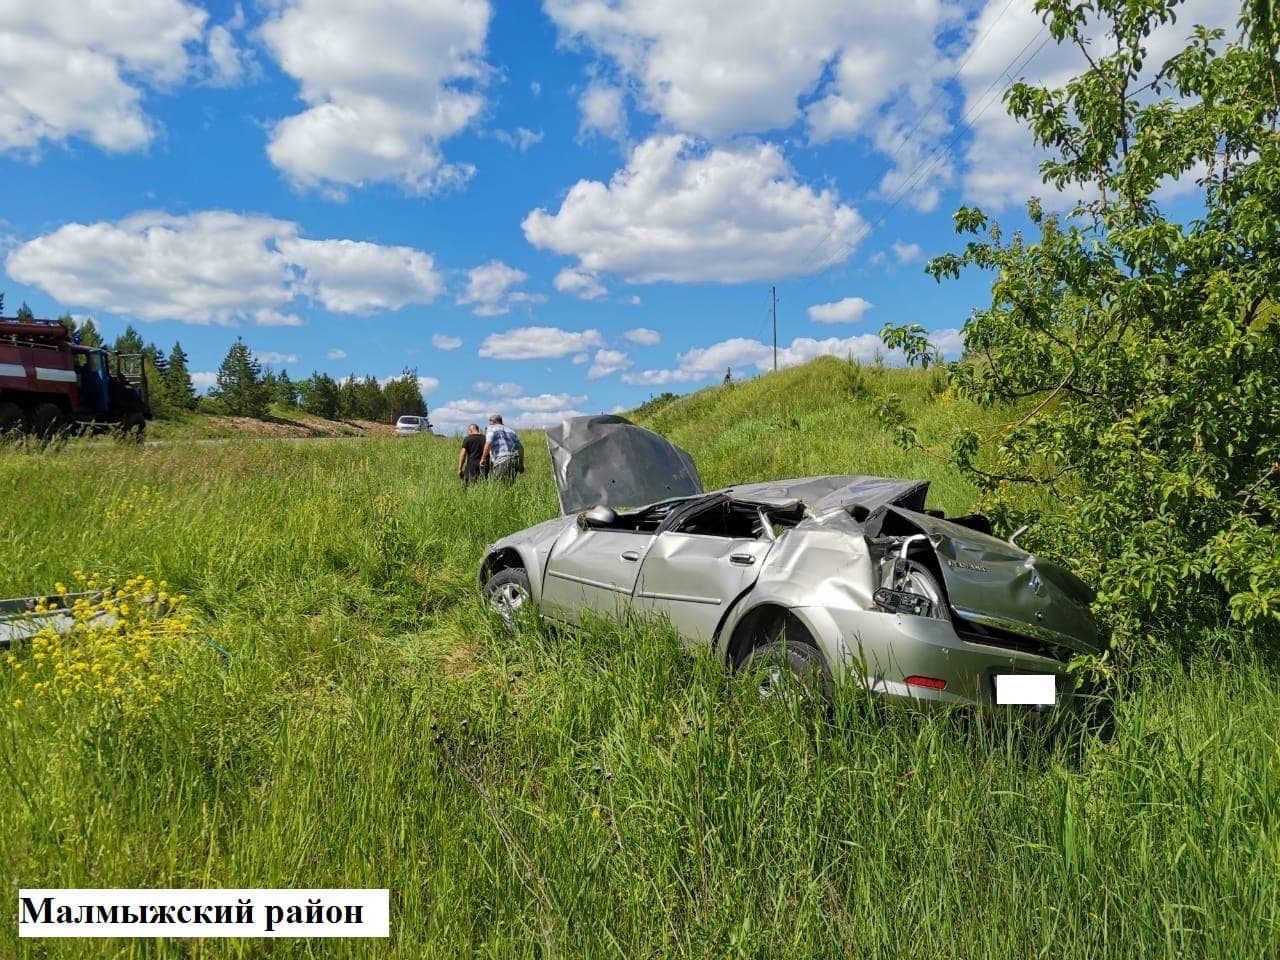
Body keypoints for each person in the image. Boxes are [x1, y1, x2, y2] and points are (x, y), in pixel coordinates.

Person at [481, 413, 523, 483]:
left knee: (497, 486)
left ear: (492, 421)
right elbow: (521, 448)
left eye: (490, 422)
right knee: (510, 485)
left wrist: (483, 458)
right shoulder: (511, 430)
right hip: (513, 460)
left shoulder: (491, 428)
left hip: (501, 461)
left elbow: (489, 443)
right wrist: (521, 464)